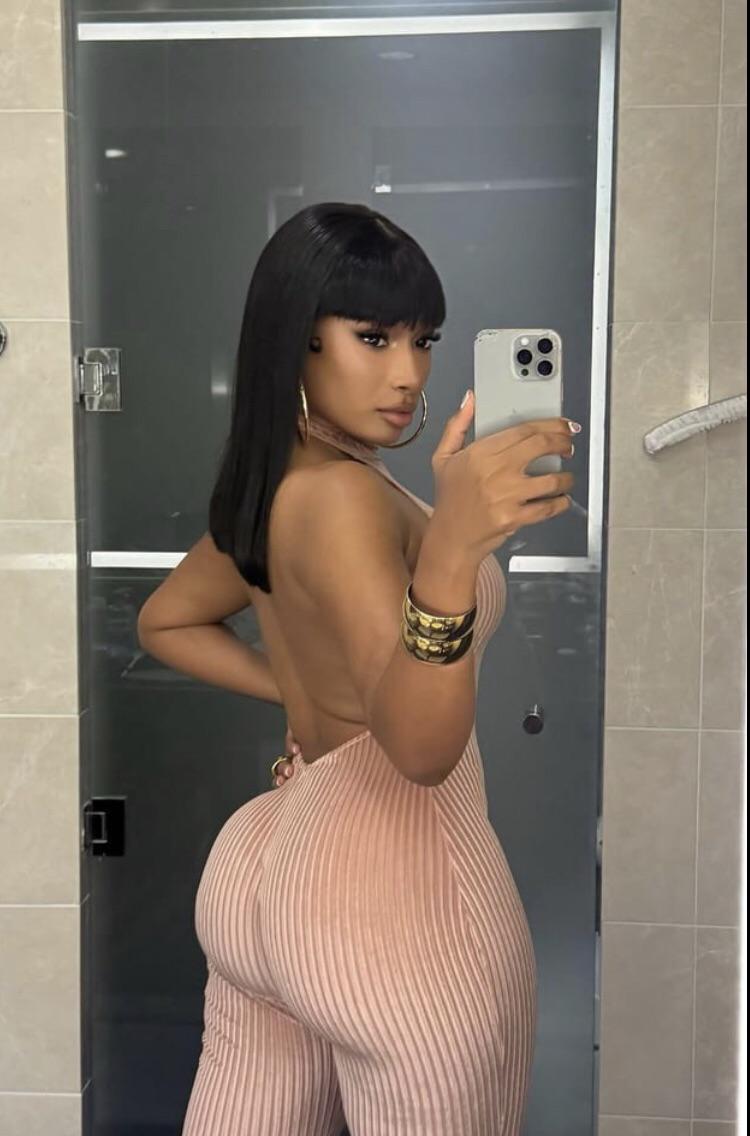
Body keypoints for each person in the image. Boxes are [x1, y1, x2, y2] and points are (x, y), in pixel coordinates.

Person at [138, 202, 577, 1134]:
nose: (408, 373)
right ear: (294, 339)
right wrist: (452, 551)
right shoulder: (340, 496)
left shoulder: (282, 485)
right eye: (372, 337)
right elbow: (420, 750)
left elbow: (167, 621)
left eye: (424, 340)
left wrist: (310, 696)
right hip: (394, 884)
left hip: (273, 866)